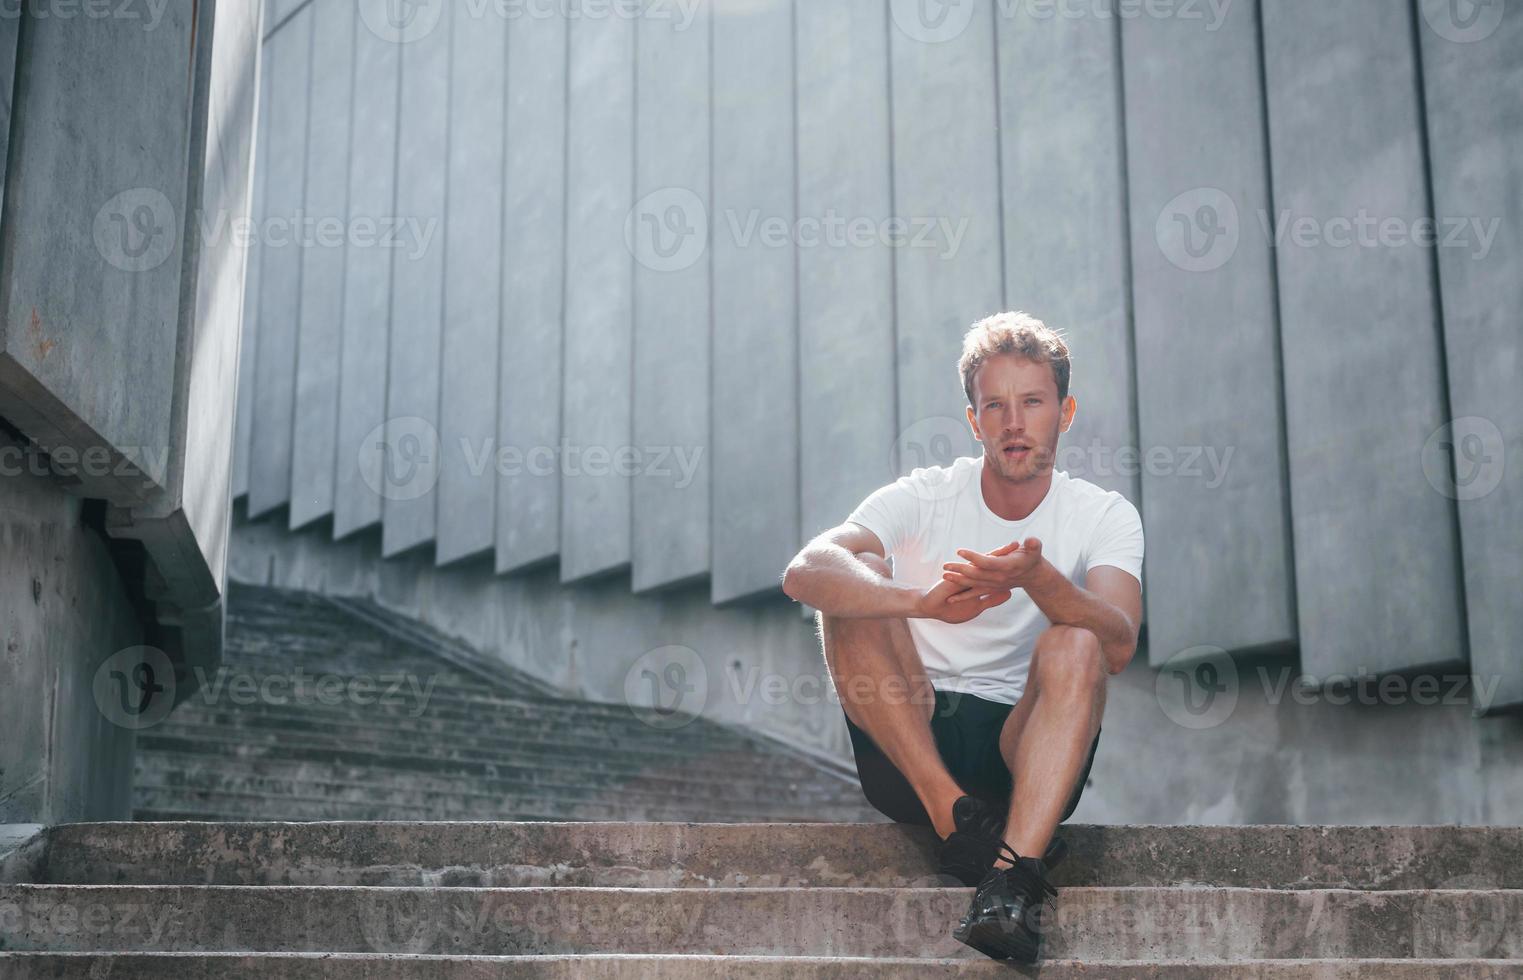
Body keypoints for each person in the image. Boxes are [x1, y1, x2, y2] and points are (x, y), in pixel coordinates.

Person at [780, 311, 1144, 963]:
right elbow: (804, 571)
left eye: (1031, 402)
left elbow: (1118, 643)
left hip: (1024, 754)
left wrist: (1039, 578)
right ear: (974, 421)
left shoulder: (1103, 514)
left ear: (1063, 412)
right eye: (994, 406)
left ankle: (1008, 880)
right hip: (913, 744)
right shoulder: (925, 496)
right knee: (854, 578)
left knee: (1078, 639)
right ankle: (955, 823)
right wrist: (918, 602)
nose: (1013, 422)